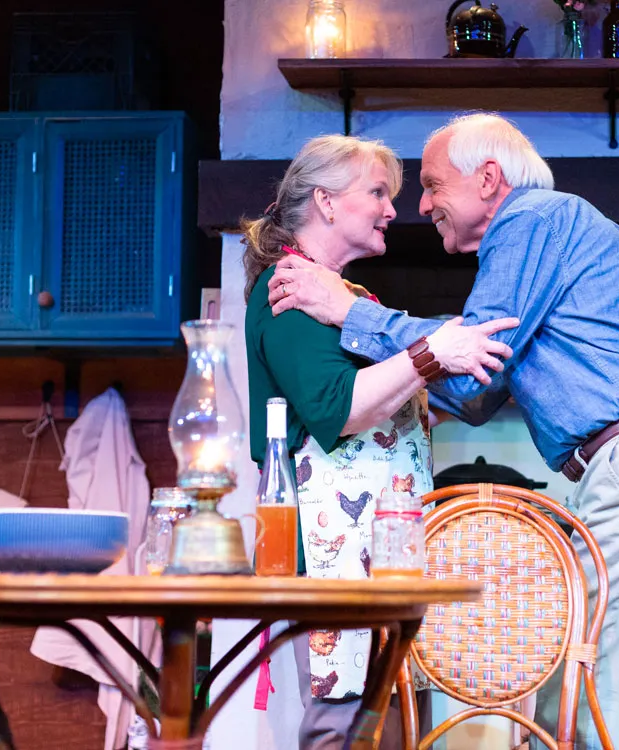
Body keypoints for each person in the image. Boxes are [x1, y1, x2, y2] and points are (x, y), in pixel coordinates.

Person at [265, 113, 619, 750]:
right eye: (393, 192)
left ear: (487, 179)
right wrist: (413, 373)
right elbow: (473, 393)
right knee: (592, 700)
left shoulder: (530, 221)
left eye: (431, 185)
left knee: (596, 705)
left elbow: (473, 355)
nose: (418, 206)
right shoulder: (544, 230)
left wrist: (350, 311)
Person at [241, 133, 517, 750]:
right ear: (326, 201)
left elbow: (386, 408)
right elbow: (336, 408)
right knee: (343, 729)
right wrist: (431, 353)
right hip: (334, 554)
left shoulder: (345, 296)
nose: (393, 209)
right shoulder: (289, 289)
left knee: (392, 726)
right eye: (377, 193)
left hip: (384, 549)